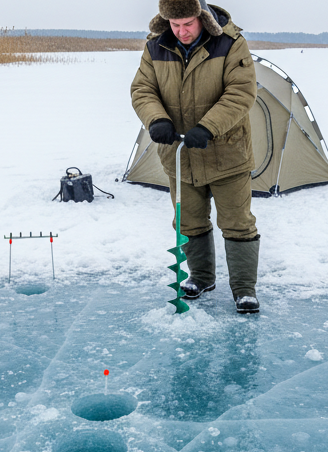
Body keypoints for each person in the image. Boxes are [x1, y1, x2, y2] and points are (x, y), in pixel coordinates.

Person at [130, 0, 261, 314]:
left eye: (187, 23)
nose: (181, 31)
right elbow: (142, 89)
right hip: (179, 156)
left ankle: (244, 289)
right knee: (188, 220)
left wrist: (208, 126)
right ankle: (201, 277)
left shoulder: (230, 44)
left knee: (237, 223)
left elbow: (241, 91)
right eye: (174, 25)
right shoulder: (156, 46)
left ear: (202, 17)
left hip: (227, 154)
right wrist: (156, 119)